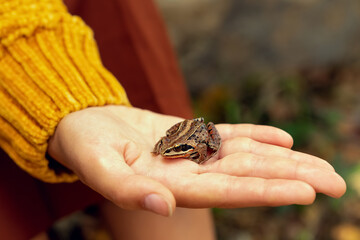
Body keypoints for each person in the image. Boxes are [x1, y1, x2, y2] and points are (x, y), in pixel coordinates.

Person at [0, 0, 346, 239]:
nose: (169, 152)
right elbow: (164, 143)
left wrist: (196, 150)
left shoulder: (190, 144)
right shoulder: (167, 146)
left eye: (174, 149)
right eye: (171, 149)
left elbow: (198, 137)